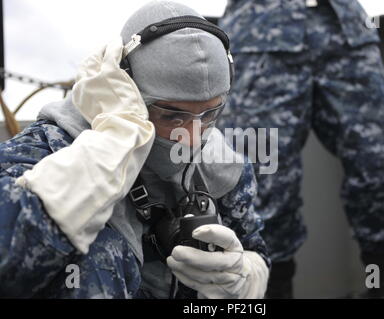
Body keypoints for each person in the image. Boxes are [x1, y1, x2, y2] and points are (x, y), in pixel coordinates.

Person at [0, 0, 270, 299]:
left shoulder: (223, 167)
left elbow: (254, 246)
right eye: (172, 115)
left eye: (209, 114)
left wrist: (245, 277)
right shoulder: (49, 151)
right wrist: (111, 147)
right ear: (128, 92)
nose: (193, 137)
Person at [217, 0, 384, 298]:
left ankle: (381, 289)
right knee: (261, 191)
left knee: (382, 172)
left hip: (345, 30)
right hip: (259, 35)